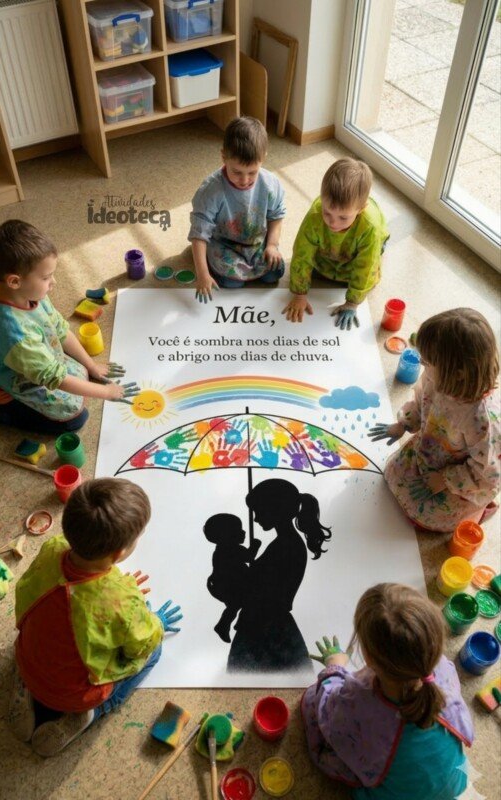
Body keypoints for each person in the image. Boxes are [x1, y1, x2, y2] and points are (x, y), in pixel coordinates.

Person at [9, 477, 182, 757]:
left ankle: (25, 688)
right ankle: (93, 713)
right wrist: (154, 621)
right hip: (75, 697)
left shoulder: (52, 548)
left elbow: (70, 593)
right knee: (155, 649)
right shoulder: (121, 603)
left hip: (27, 662)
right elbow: (141, 643)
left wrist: (116, 590)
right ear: (120, 553)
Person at [302, 583, 474, 799]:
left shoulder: (358, 698)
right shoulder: (442, 669)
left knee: (312, 699)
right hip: (452, 782)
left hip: (397, 795)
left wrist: (334, 667)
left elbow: (331, 718)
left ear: (368, 656)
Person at [0, 219, 139, 435]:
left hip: (25, 361)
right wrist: (107, 392)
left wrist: (91, 366)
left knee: (81, 373)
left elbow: (60, 330)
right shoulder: (13, 334)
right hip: (7, 389)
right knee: (74, 421)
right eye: (46, 277)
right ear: (14, 281)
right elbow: (56, 379)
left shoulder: (29, 293)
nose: (54, 282)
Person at [369, 308, 500, 532]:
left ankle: (481, 510)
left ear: (457, 373)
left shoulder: (483, 420)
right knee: (393, 476)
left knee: (423, 516)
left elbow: (489, 473)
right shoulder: (437, 377)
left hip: (459, 477)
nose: (422, 364)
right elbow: (421, 400)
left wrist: (445, 480)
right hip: (429, 451)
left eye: (427, 362)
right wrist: (404, 424)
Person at [227, 479, 331, 672]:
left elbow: (262, 589)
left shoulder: (286, 546)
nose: (255, 519)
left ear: (275, 509)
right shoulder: (285, 543)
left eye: (258, 511)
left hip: (266, 631)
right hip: (270, 627)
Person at [283, 157, 389, 329]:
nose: (333, 222)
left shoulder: (370, 227)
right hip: (329, 250)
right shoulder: (315, 215)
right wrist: (299, 294)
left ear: (361, 209)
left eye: (343, 217)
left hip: (359, 250)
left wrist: (352, 303)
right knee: (309, 270)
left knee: (371, 265)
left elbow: (366, 267)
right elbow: (302, 254)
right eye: (327, 212)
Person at [189, 116, 286, 301]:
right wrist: (202, 274)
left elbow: (276, 215)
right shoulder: (210, 191)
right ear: (223, 157)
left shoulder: (271, 184)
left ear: (263, 159)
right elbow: (199, 232)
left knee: (275, 272)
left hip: (256, 243)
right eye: (237, 172)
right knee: (232, 283)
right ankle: (207, 259)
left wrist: (272, 245)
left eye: (252, 172)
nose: (244, 180)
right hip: (225, 244)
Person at [203, 513, 260, 643]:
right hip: (229, 586)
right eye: (239, 530)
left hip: (224, 585)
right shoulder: (231, 549)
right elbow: (249, 557)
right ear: (227, 535)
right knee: (238, 603)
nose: (244, 532)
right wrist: (256, 545)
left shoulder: (220, 550)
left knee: (235, 605)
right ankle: (224, 625)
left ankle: (227, 624)